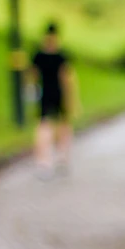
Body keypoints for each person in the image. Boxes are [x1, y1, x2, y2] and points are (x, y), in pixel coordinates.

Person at [29, 22, 78, 178]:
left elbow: (32, 75)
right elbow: (67, 78)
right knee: (62, 125)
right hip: (58, 94)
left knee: (44, 126)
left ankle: (44, 161)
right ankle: (62, 157)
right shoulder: (61, 56)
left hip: (44, 94)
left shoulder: (38, 55)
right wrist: (72, 99)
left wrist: (32, 89)